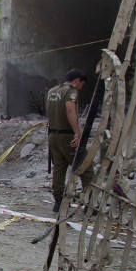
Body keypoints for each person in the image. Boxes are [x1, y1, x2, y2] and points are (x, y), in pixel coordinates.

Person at [46, 68, 93, 213]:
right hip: (68, 137)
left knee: (59, 169)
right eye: (82, 84)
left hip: (53, 136)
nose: (81, 88)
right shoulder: (71, 91)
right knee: (86, 169)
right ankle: (89, 204)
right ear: (77, 80)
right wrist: (77, 132)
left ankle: (58, 202)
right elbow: (70, 110)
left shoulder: (52, 91)